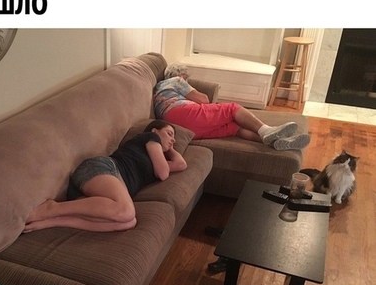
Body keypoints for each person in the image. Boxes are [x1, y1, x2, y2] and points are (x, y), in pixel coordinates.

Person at [24, 120, 187, 233]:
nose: (173, 139)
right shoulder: (150, 138)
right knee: (126, 211)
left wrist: (170, 146)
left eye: (174, 137)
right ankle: (53, 209)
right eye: (169, 133)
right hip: (100, 169)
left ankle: (53, 221)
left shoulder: (157, 162)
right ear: (154, 131)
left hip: (99, 193)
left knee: (128, 222)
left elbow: (181, 165)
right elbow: (163, 173)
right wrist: (163, 143)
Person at [153, 64, 311, 150]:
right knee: (232, 109)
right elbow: (204, 100)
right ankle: (266, 130)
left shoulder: (158, 89)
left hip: (183, 130)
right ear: (180, 75)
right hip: (182, 114)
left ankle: (277, 141)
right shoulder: (176, 81)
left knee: (236, 128)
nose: (187, 81)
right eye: (186, 78)